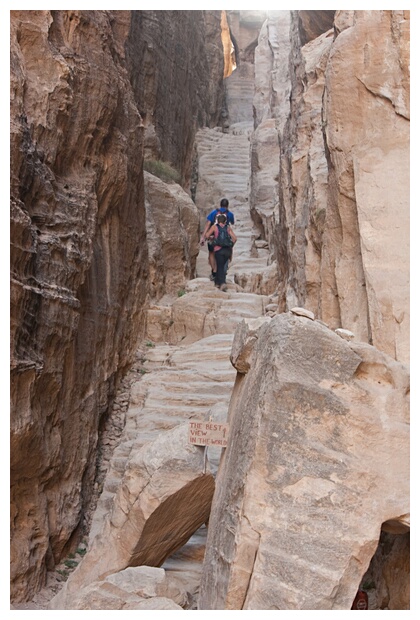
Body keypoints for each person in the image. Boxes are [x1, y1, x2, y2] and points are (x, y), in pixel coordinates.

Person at [200, 198, 235, 281]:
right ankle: (228, 263)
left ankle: (214, 272)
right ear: (227, 205)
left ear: (220, 205)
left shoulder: (214, 212)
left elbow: (208, 224)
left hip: (213, 237)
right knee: (229, 249)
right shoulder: (229, 214)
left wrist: (203, 237)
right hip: (225, 239)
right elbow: (233, 223)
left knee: (211, 253)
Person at [205, 213, 237, 291]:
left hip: (218, 250)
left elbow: (207, 235)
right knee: (222, 266)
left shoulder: (214, 227)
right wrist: (231, 244)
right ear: (225, 221)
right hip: (227, 250)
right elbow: (235, 238)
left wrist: (212, 238)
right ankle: (217, 282)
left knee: (219, 266)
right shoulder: (228, 228)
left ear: (217, 220)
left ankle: (222, 283)